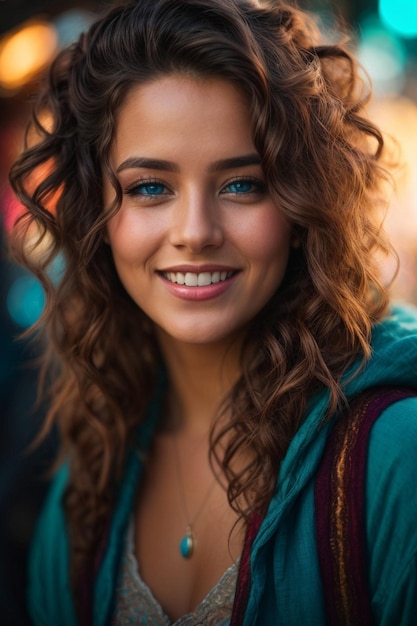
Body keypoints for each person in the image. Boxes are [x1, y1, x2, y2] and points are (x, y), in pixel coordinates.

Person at [8, 0, 417, 624]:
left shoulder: (396, 458)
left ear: (302, 211)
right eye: (150, 187)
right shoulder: (90, 472)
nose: (195, 232)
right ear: (96, 216)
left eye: (241, 184)